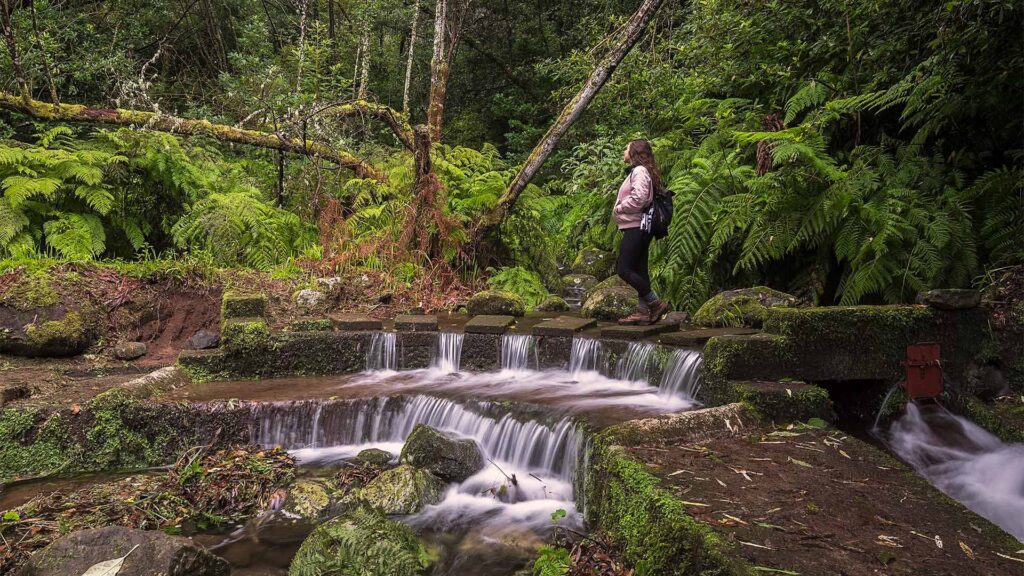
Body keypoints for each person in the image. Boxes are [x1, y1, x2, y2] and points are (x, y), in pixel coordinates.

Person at [612, 139, 670, 325]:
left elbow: (639, 198)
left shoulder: (639, 171)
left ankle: (654, 302)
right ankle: (643, 311)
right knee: (640, 271)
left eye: (626, 147)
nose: (624, 150)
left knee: (624, 269)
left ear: (634, 152)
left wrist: (620, 208)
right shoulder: (641, 171)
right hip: (639, 226)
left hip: (637, 226)